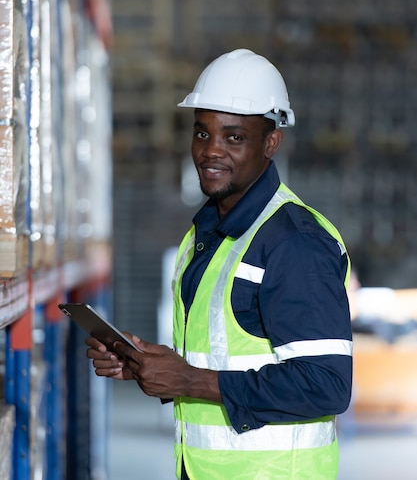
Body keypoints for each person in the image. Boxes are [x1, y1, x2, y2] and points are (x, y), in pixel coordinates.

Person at [86, 48, 352, 480]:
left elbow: (327, 385)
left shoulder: (294, 243)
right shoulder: (206, 234)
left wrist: (188, 381)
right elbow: (222, 358)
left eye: (234, 137)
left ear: (271, 142)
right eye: (202, 133)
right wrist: (153, 367)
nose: (211, 152)